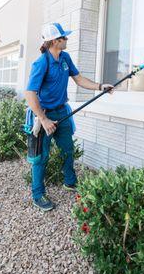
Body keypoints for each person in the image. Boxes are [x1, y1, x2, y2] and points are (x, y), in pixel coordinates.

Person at [25, 22, 113, 212]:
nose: (67, 39)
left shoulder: (65, 58)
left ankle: (70, 182)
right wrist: (44, 119)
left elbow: (79, 78)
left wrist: (100, 87)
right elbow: (30, 93)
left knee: (68, 150)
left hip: (62, 111)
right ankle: (38, 194)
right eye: (64, 37)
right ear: (55, 41)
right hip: (44, 115)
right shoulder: (41, 63)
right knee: (41, 157)